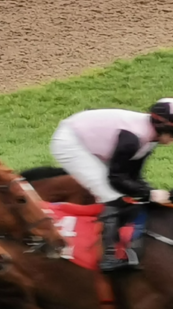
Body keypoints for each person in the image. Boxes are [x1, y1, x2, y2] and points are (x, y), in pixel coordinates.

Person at [50, 99, 173, 271]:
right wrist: (151, 194)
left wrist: (151, 193)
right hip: (70, 142)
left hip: (90, 139)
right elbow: (116, 178)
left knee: (122, 192)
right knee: (110, 194)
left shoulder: (150, 139)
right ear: (163, 127)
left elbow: (132, 176)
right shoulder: (134, 138)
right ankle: (109, 256)